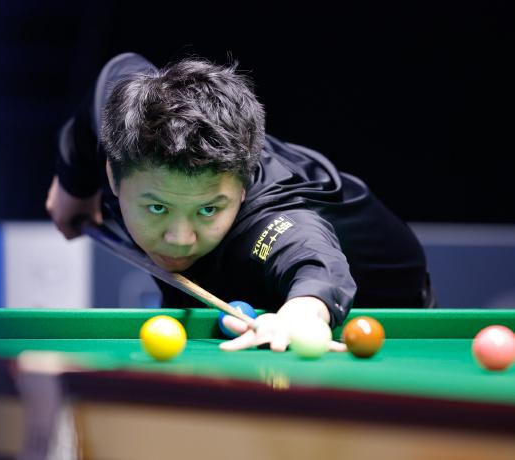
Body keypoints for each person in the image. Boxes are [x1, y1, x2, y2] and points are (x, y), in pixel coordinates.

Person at [46, 52, 434, 352]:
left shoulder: (272, 220)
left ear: (243, 187)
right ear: (113, 175)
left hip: (382, 307)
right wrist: (74, 185)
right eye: (157, 207)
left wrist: (302, 312)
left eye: (208, 209)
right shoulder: (127, 117)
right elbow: (114, 75)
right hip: (240, 283)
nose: (180, 239)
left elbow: (313, 260)